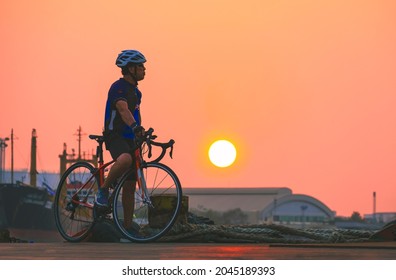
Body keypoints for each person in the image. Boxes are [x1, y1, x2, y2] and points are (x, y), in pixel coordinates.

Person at [95, 49, 146, 230]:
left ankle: (126, 226)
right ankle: (103, 190)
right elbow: (123, 110)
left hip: (130, 137)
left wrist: (141, 133)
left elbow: (135, 116)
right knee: (125, 159)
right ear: (130, 68)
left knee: (131, 184)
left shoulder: (136, 92)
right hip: (115, 135)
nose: (144, 69)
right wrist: (135, 127)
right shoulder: (118, 87)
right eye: (140, 66)